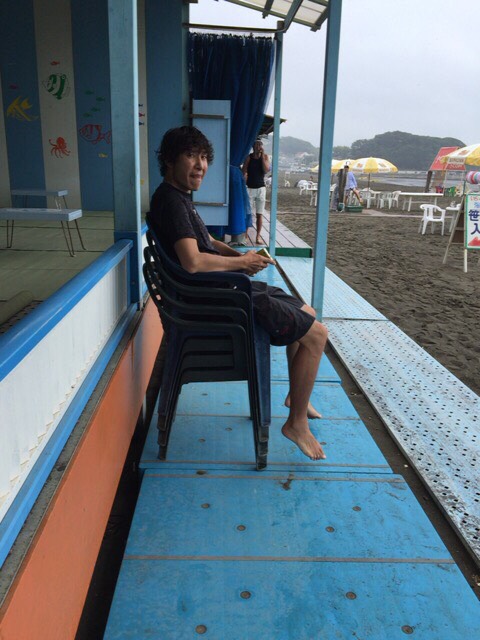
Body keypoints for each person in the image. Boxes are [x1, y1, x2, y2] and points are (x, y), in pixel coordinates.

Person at [149, 126, 329, 461]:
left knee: (307, 313)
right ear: (170, 160)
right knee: (317, 335)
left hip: (221, 291)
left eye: (204, 157)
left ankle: (296, 397)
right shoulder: (172, 202)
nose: (201, 165)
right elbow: (193, 261)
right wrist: (241, 264)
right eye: (191, 156)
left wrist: (239, 256)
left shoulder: (177, 197)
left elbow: (206, 241)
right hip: (220, 301)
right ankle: (296, 424)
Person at [242, 139, 271, 245]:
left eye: (260, 145)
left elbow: (266, 170)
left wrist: (262, 156)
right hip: (250, 188)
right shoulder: (249, 157)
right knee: (248, 213)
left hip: (261, 188)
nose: (258, 147)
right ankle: (245, 235)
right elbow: (243, 171)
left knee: (259, 214)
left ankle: (258, 237)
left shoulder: (265, 157)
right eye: (256, 145)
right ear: (253, 147)